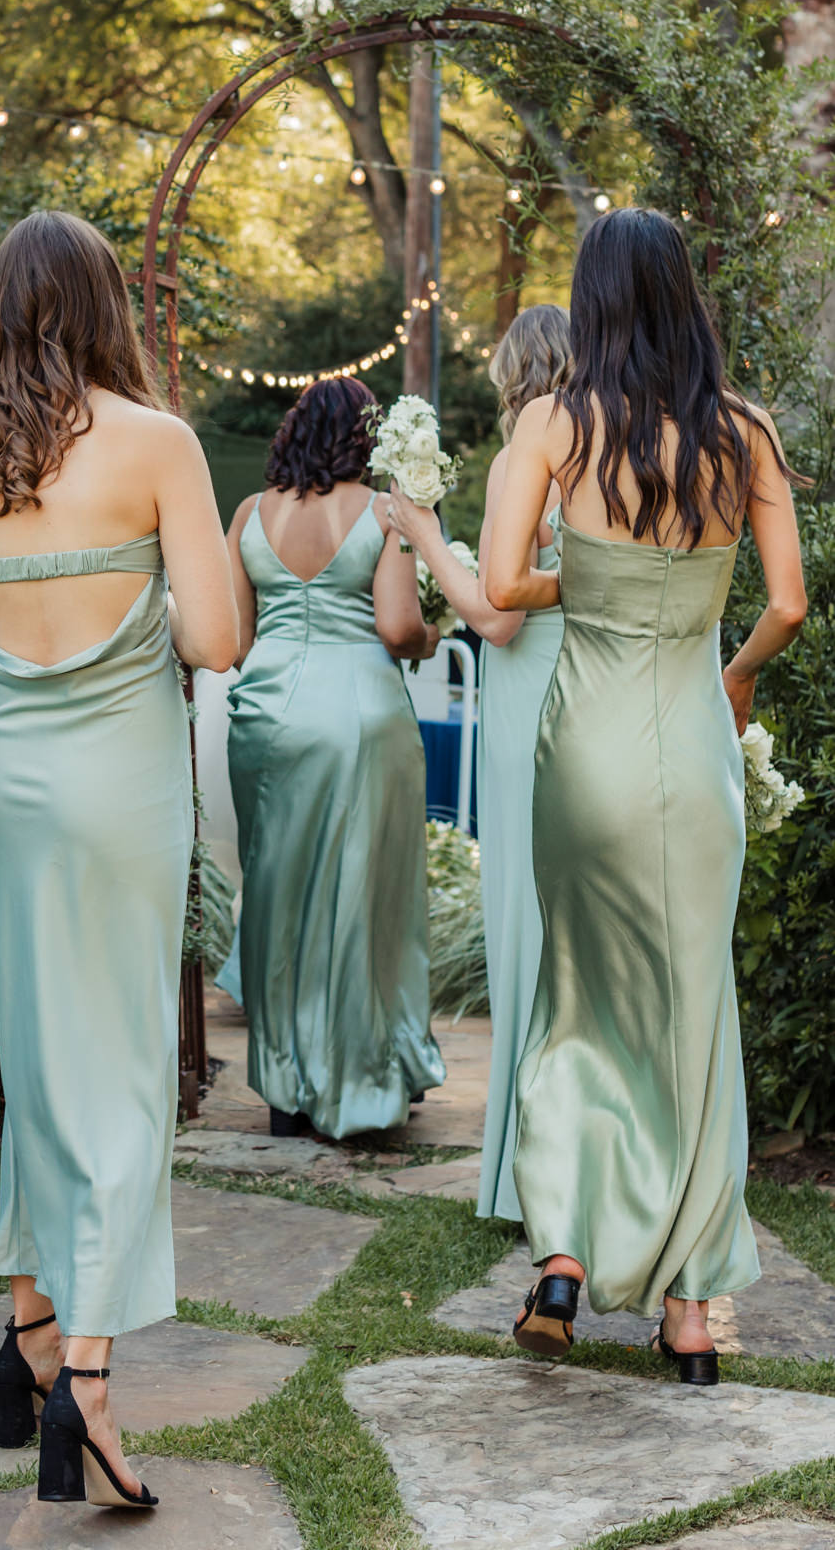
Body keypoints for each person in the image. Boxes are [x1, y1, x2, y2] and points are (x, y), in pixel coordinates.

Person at [0, 210, 237, 1508]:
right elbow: (209, 638)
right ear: (105, 309)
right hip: (121, 789)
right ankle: (84, 1386)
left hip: (11, 791)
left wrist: (14, 593)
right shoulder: (158, 445)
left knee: (41, 1055)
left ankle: (31, 1337)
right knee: (116, 1071)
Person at [486, 208, 806, 1384]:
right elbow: (787, 602)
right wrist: (729, 671)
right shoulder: (746, 433)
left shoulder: (555, 422)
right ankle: (687, 1312)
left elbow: (500, 581)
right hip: (691, 737)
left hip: (589, 747)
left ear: (595, 301)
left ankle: (565, 1256)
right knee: (692, 1011)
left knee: (581, 997)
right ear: (685, 296)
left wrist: (590, 579)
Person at [224, 376, 445, 1141]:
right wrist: (431, 636)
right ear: (367, 438)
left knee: (278, 896)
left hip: (266, 716)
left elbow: (233, 641)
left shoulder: (249, 515)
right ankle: (363, 1076)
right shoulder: (384, 511)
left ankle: (286, 1087)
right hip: (358, 715)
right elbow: (393, 627)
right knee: (363, 895)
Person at [389, 304, 573, 1221]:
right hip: (589, 698)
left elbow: (496, 616)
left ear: (513, 378)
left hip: (527, 700)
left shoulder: (522, 456)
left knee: (524, 924)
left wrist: (425, 536)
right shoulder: (610, 459)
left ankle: (527, 1175)